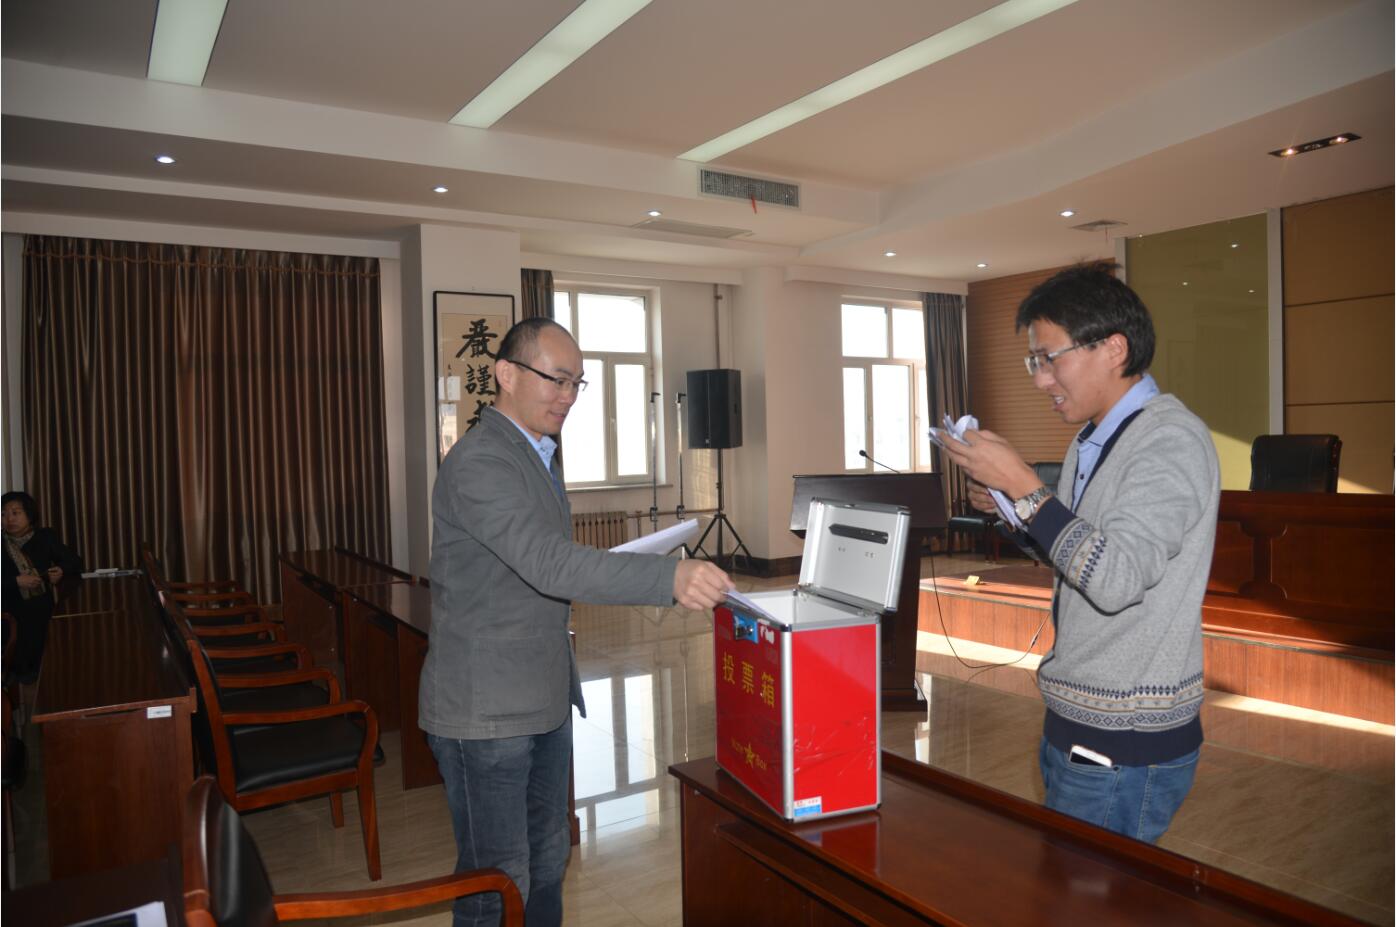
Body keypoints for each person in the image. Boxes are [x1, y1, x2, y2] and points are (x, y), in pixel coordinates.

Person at [421, 317, 732, 926]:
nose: (567, 396)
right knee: (496, 883)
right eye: (556, 379)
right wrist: (666, 578)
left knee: (546, 858)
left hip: (539, 696)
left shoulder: (534, 453)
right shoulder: (481, 461)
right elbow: (547, 563)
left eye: (577, 383)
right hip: (486, 712)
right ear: (506, 374)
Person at [941, 263, 1219, 844]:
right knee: (1071, 880)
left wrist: (1026, 487)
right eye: (1034, 362)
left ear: (1113, 349)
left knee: (1092, 888)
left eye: (1050, 358)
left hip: (1125, 734)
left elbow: (1116, 578)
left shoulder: (1168, 440)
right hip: (1079, 714)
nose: (1041, 379)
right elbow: (1079, 556)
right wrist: (1014, 510)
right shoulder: (1094, 436)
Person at [2, 491, 83, 683]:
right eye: (3, 514)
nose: (9, 519)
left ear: (29, 515)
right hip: (9, 614)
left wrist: (60, 570)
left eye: (15, 513)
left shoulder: (45, 537)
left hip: (41, 613)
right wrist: (15, 581)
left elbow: (75, 562)